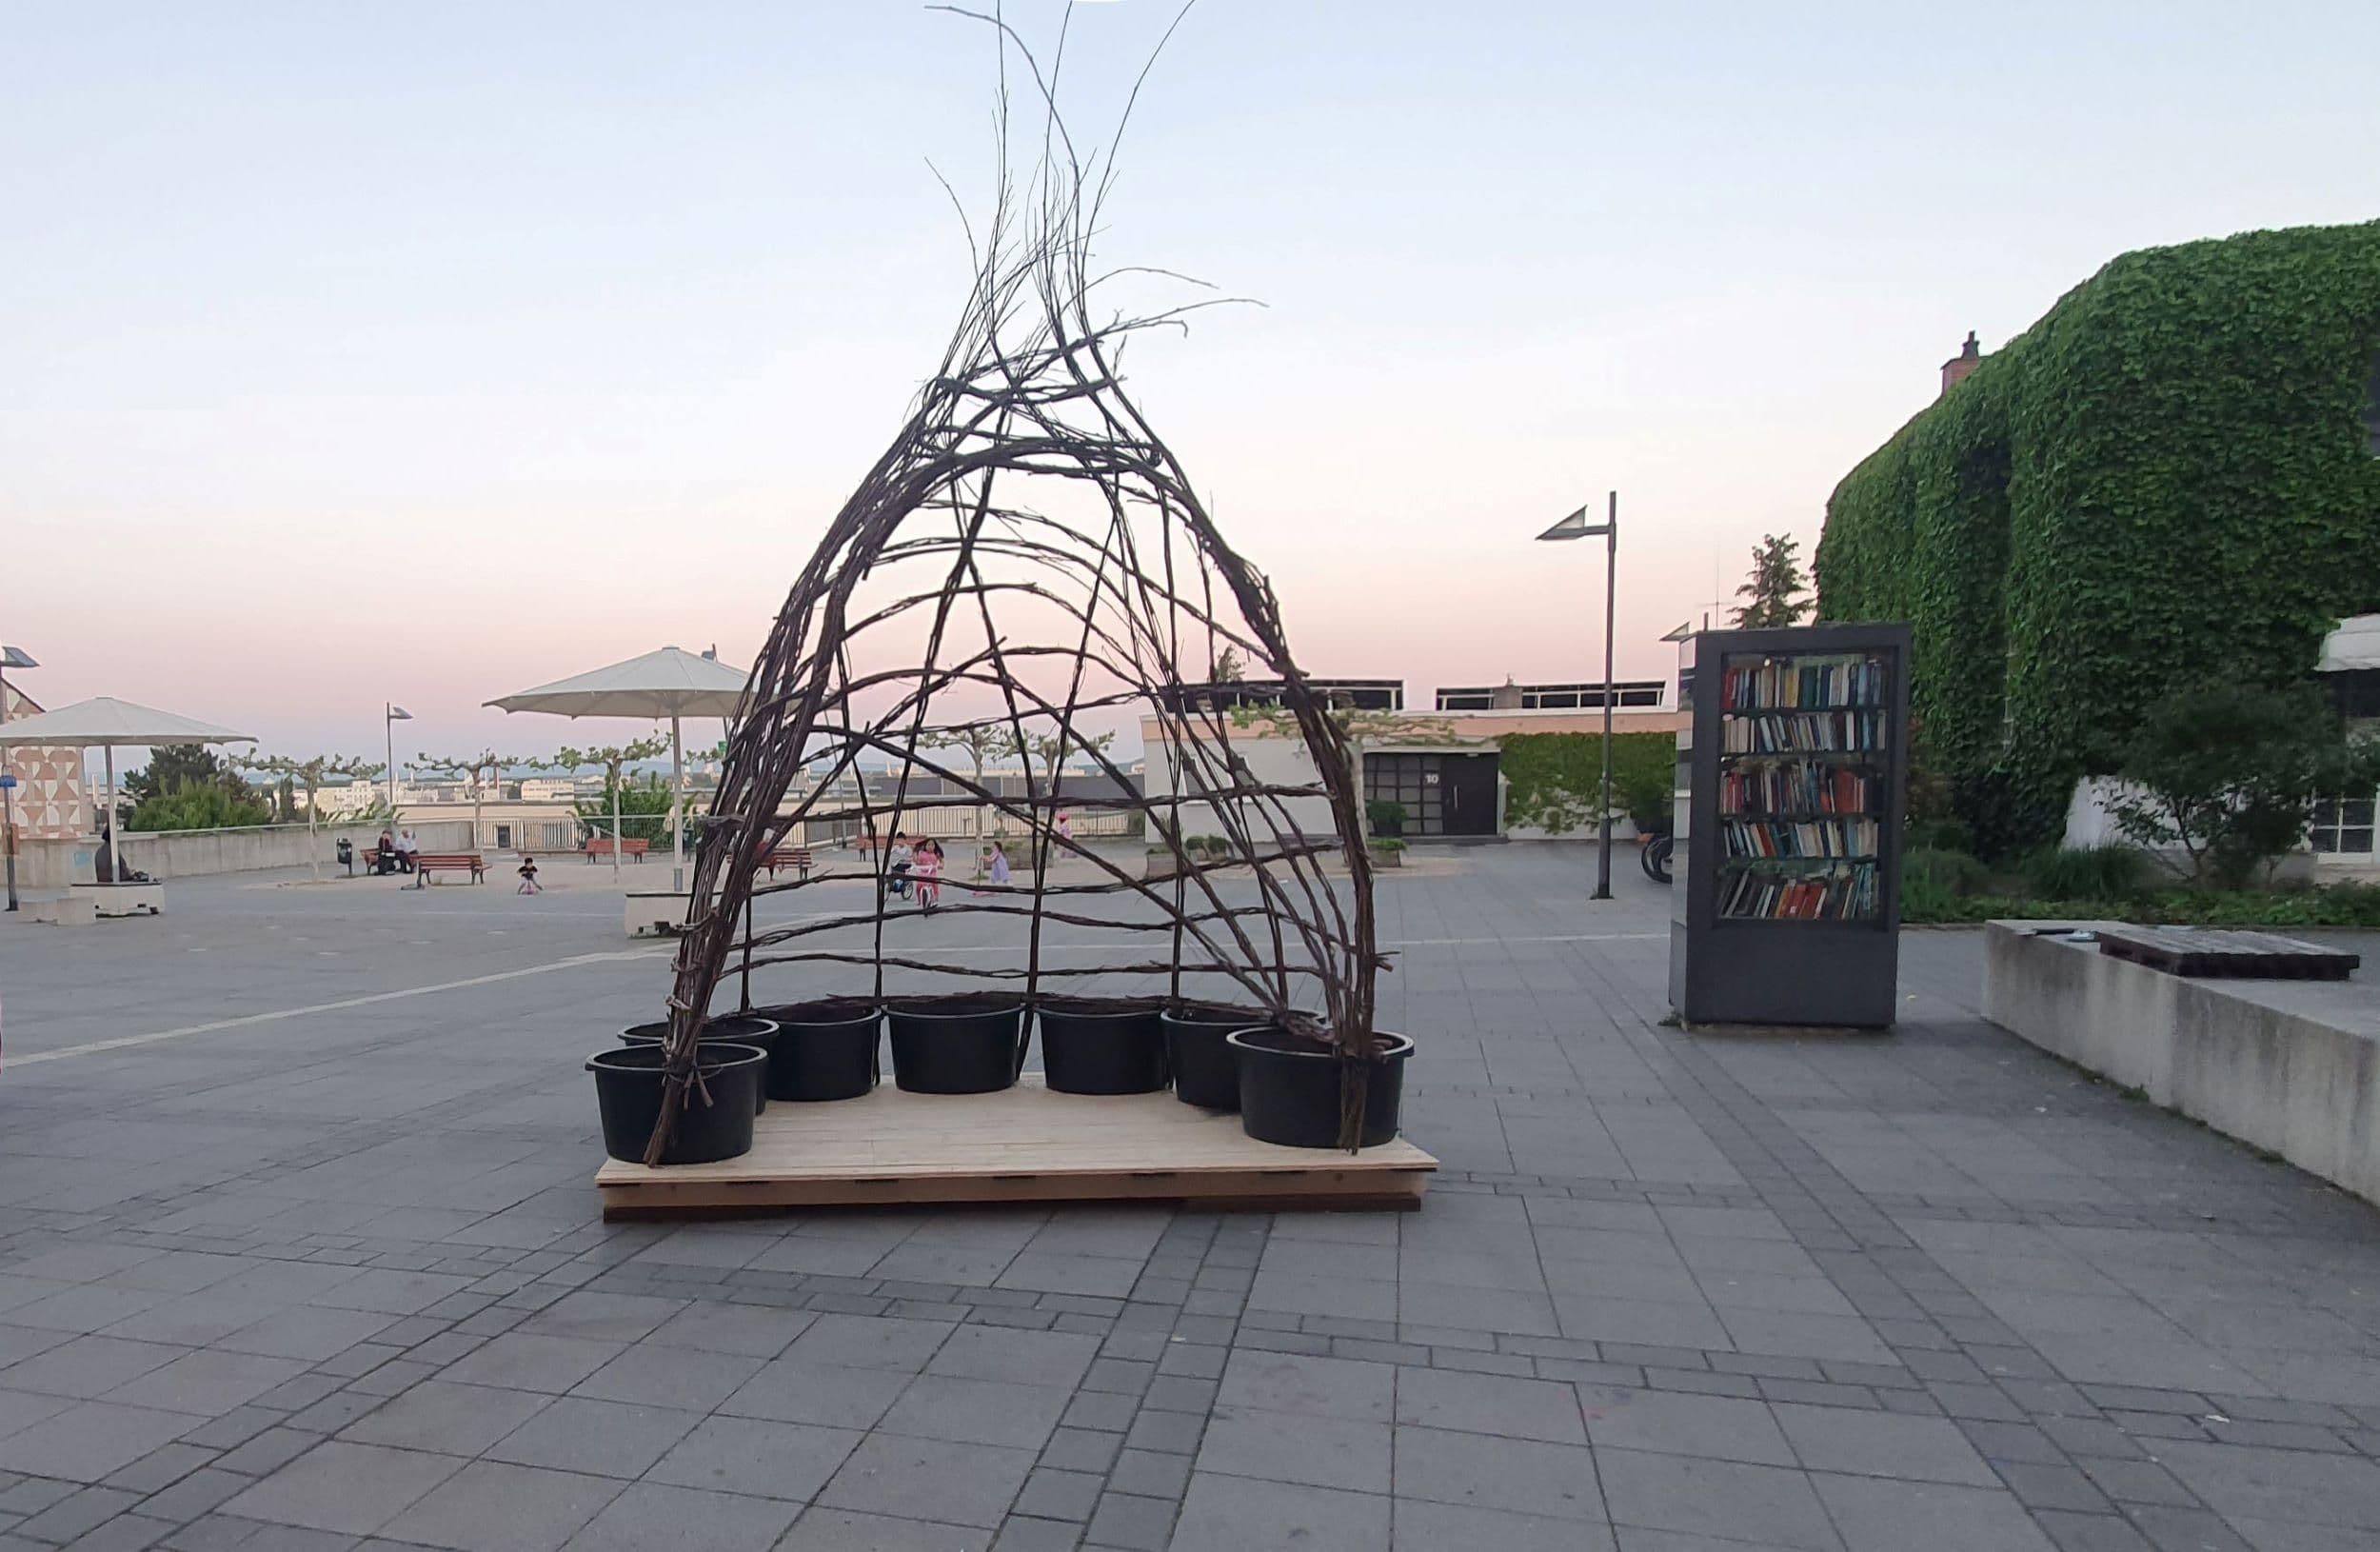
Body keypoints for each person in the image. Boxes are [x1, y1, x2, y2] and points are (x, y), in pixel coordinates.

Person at [912, 838, 942, 913]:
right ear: (925, 846)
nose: (930, 846)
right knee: (919, 886)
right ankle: (919, 898)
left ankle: (935, 898)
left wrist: (940, 865)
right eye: (928, 845)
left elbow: (942, 861)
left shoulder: (936, 854)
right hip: (922, 873)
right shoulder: (922, 854)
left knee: (935, 883)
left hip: (931, 873)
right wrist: (914, 856)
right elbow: (917, 862)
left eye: (932, 845)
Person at [886, 831, 914, 899]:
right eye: (898, 840)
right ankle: (891, 884)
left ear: (905, 840)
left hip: (905, 864)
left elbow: (910, 857)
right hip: (895, 864)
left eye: (901, 840)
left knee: (901, 869)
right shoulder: (894, 848)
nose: (900, 841)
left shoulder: (908, 849)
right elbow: (891, 855)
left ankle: (901, 883)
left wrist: (905, 859)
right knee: (892, 872)